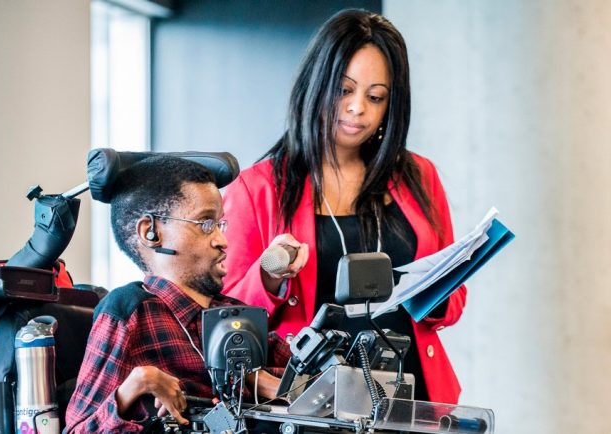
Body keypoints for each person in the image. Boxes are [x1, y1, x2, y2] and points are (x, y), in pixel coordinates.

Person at [222, 9, 466, 404]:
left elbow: (452, 305)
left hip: (412, 397)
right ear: (316, 85)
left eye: (375, 97)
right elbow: (229, 322)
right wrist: (269, 275)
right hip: (309, 401)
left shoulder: (419, 176)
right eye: (344, 90)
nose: (358, 108)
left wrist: (439, 288)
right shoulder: (257, 188)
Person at [64, 156, 291, 433]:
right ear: (151, 232)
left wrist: (269, 383)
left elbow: (322, 389)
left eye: (221, 224)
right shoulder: (131, 311)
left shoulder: (234, 312)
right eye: (205, 223)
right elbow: (79, 429)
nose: (222, 240)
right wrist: (139, 382)